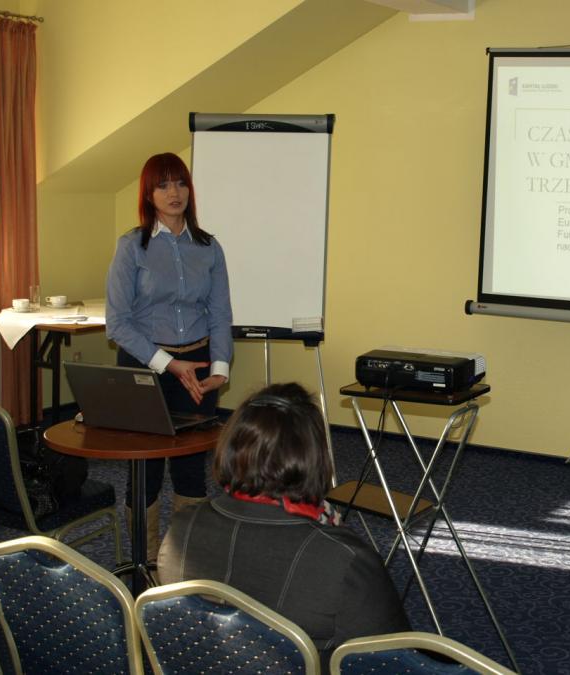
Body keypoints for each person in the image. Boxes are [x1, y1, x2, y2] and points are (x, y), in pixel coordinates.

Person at [157, 383, 410, 664]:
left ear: (229, 446)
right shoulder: (346, 559)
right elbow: (396, 661)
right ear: (315, 456)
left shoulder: (182, 528)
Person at [106, 152, 233, 558]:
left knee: (190, 467)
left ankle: (183, 559)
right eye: (162, 185)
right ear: (148, 194)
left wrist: (220, 369)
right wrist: (169, 364)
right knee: (144, 467)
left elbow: (220, 314)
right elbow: (117, 323)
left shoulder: (209, 247)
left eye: (180, 183)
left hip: (198, 366)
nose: (173, 192)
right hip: (144, 367)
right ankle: (143, 561)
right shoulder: (131, 246)